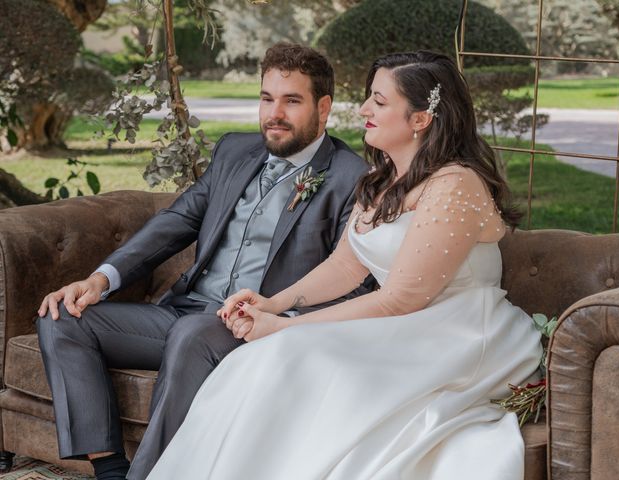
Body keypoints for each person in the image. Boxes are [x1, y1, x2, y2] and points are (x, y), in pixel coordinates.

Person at [147, 50, 543, 480]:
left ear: (420, 119)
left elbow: (400, 300)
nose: (364, 109)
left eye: (379, 100)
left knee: (290, 354)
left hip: (457, 332)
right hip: (400, 326)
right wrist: (271, 304)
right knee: (265, 358)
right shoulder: (381, 178)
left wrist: (282, 328)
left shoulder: (455, 183)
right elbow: (345, 266)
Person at [35, 42, 370, 480]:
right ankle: (111, 469)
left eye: (292, 101)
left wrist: (280, 315)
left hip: (258, 330)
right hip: (184, 313)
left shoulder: (352, 177)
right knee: (63, 316)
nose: (275, 114)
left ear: (323, 108)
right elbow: (175, 222)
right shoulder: (234, 151)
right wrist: (100, 279)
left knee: (194, 334)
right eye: (267, 99)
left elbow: (357, 280)